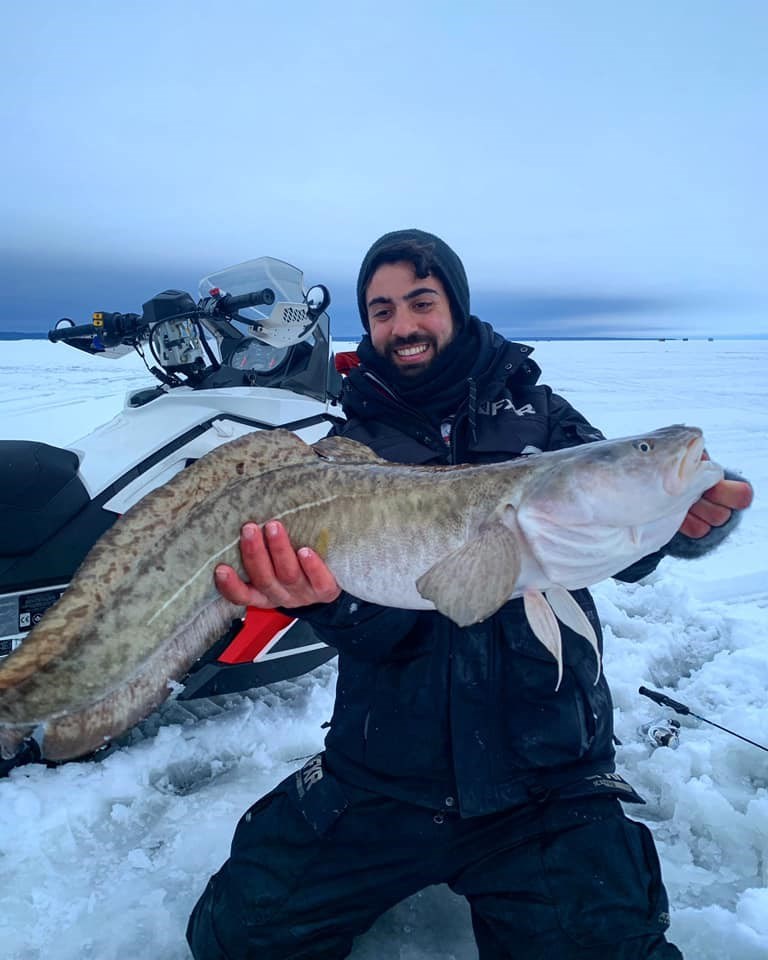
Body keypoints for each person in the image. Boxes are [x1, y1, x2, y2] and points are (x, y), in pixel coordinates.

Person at [187, 229, 753, 960]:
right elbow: (381, 628)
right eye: (382, 310)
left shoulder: (544, 420)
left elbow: (626, 543)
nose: (404, 325)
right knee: (237, 940)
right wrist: (327, 603)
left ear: (454, 307)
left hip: (549, 782)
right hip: (384, 773)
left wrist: (688, 521)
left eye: (421, 302)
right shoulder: (347, 450)